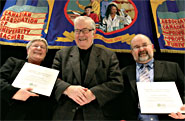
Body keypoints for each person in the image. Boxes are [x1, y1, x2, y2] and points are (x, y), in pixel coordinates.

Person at [52, 16, 123, 120]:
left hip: (97, 115)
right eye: (77, 31)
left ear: (94, 32)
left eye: (85, 30)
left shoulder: (108, 56)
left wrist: (94, 93)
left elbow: (117, 83)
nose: (81, 35)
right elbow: (51, 80)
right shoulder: (62, 54)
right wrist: (68, 89)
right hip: (65, 115)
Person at [121, 34, 185, 121]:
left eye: (144, 45)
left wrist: (183, 110)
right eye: (136, 47)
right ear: (131, 52)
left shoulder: (172, 67)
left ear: (152, 47)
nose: (141, 49)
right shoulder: (123, 73)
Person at [0, 38, 54, 120]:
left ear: (45, 54)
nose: (39, 48)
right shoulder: (14, 63)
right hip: (11, 114)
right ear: (28, 50)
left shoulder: (50, 74)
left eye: (42, 47)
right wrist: (14, 92)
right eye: (35, 46)